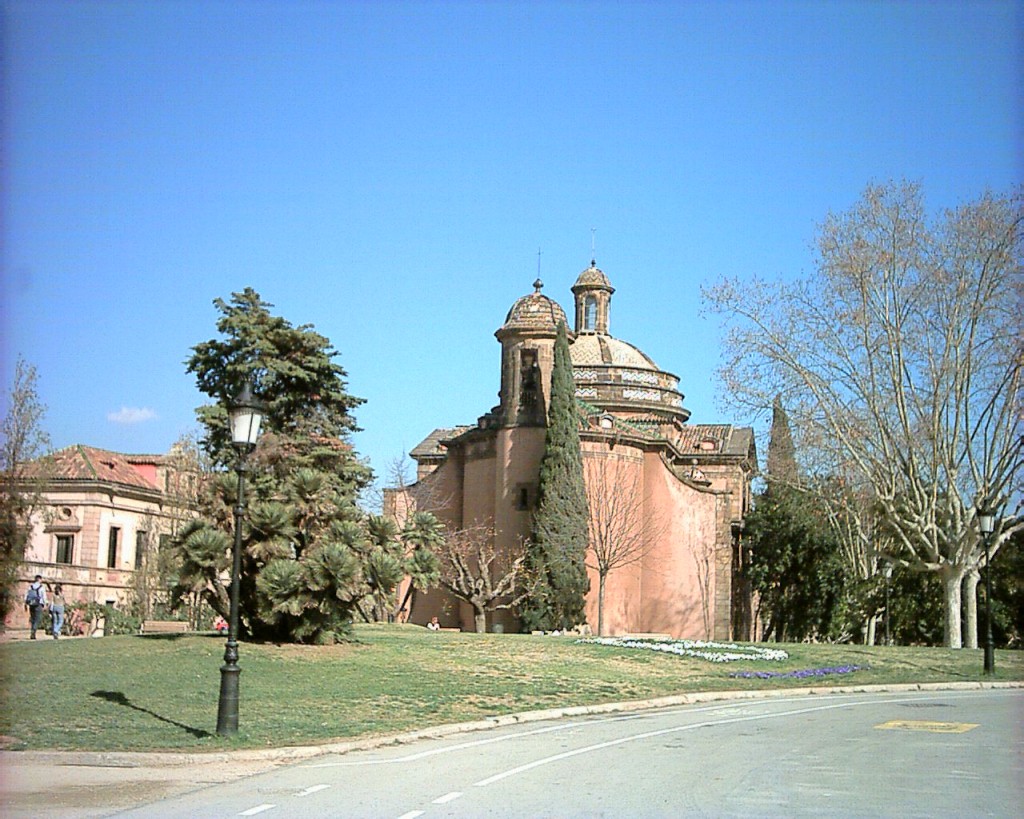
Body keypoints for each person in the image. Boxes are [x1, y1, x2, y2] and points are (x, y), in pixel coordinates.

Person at [24, 575, 47, 639]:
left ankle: (32, 631)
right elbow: (44, 596)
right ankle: (33, 631)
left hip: (31, 604)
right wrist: (45, 604)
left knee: (33, 618)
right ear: (39, 580)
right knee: (38, 618)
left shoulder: (30, 587)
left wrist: (25, 603)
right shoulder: (41, 587)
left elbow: (26, 595)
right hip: (38, 604)